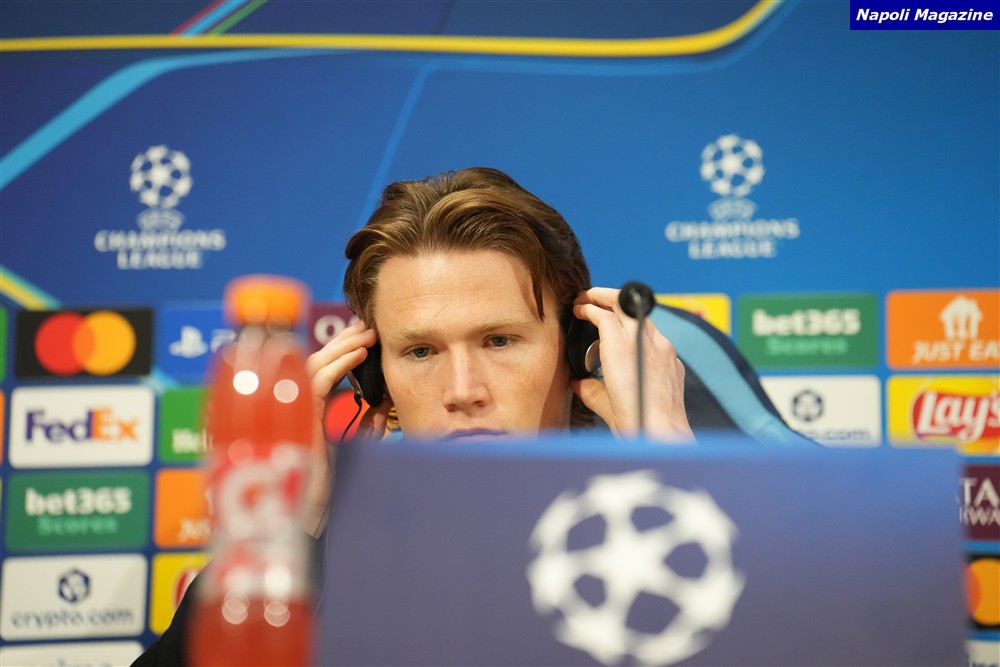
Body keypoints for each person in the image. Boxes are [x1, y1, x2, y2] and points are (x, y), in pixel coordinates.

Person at [132, 167, 692, 666]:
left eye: (499, 341)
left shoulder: (666, 523)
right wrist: (288, 533)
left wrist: (681, 475)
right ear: (375, 377)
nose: (462, 391)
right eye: (421, 351)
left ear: (577, 348)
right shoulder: (328, 558)